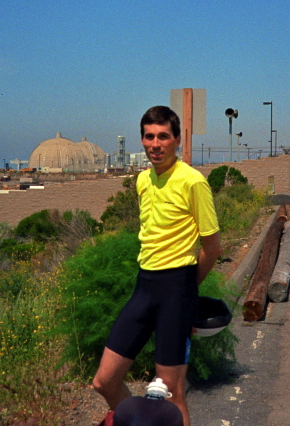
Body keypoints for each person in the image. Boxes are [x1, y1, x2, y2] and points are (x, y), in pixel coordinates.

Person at [93, 105, 222, 426]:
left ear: (176, 140)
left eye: (163, 136)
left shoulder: (193, 182)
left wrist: (186, 293)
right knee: (104, 381)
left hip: (177, 290)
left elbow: (212, 247)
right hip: (144, 288)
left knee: (173, 395)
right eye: (149, 137)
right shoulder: (141, 181)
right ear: (142, 140)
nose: (155, 144)